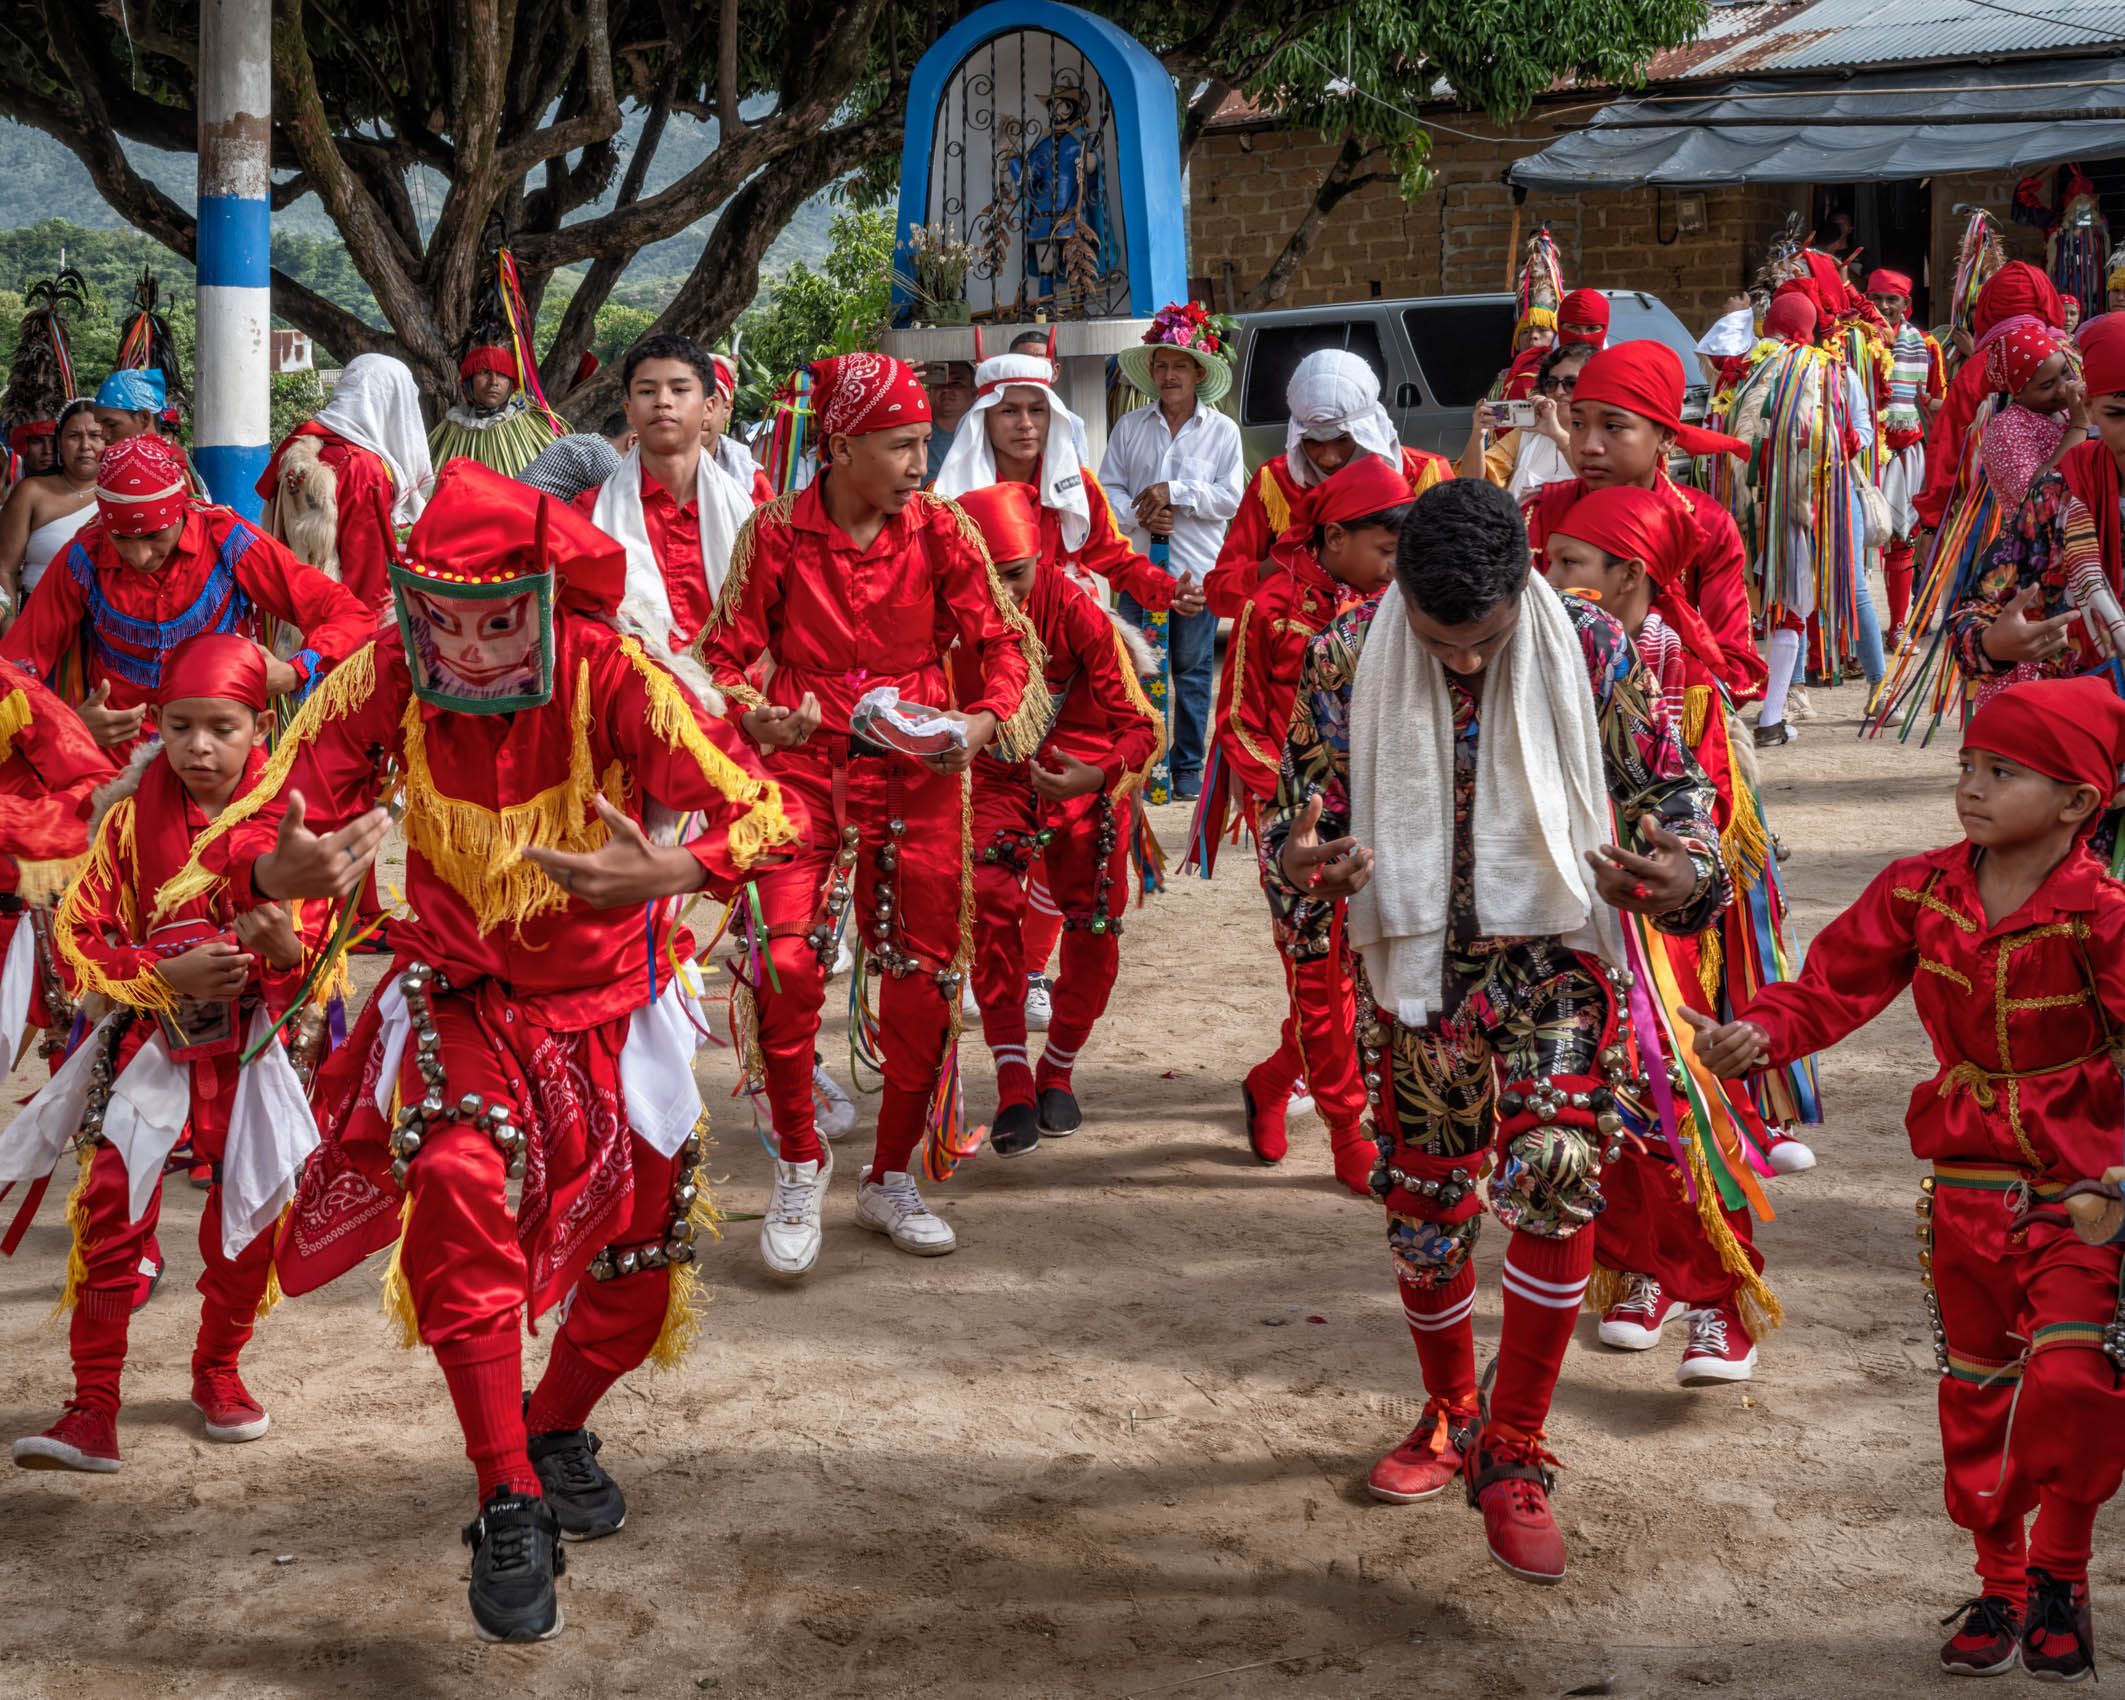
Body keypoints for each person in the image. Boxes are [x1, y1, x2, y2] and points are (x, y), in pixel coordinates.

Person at [172, 458, 796, 1642]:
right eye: (440, 617)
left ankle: (551, 1425)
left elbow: (771, 807)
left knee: (641, 1265)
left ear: (549, 599)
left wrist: (679, 865)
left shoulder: (621, 676)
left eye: (497, 620)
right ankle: (506, 1491)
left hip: (616, 1006)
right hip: (462, 992)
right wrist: (270, 868)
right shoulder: (392, 672)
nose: (465, 647)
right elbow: (262, 815)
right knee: (459, 1187)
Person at [1262, 477, 1725, 1584]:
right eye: (1437, 640)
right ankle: (1448, 1412)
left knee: (1558, 1163)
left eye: (1485, 639)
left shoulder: (1599, 645)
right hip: (1415, 967)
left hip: (1556, 954)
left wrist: (1677, 871)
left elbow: (1675, 789)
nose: (1464, 662)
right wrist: (1300, 864)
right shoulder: (1340, 655)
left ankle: (1514, 1447)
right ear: (1399, 597)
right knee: (1424, 1207)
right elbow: (1294, 816)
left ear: (1524, 586)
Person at [1686, 676, 2125, 1684]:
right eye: (1967, 763)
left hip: (2082, 1188)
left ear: (2075, 804)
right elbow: (1831, 982)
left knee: (2072, 1380)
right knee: (1975, 1392)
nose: (1970, 784)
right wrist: (1762, 1033)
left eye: (2002, 771)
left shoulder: (2100, 913)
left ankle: (2062, 1573)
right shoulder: (1919, 886)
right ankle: (2001, 1582)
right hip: (1966, 1182)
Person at [699, 353, 1041, 1280]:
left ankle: (890, 1175)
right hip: (804, 770)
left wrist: (979, 720)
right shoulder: (774, 535)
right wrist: (752, 710)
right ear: (841, 447)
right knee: (783, 960)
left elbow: (1005, 644)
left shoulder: (943, 531)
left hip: (921, 770)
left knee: (924, 980)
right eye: (901, 445)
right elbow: (721, 655)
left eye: (924, 442)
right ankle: (801, 1161)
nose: (920, 462)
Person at [4, 635, 322, 1475]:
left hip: (254, 1052)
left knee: (248, 1220)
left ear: (260, 725)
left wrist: (284, 950)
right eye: (180, 727)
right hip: (149, 1043)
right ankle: (91, 1405)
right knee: (110, 1209)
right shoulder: (126, 818)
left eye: (221, 727)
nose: (199, 747)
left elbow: (323, 950)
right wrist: (162, 971)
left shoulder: (289, 819)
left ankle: (219, 1371)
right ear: (159, 726)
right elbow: (79, 941)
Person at [1541, 484, 1786, 1383]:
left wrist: (1663, 872)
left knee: (1671, 1102)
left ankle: (1722, 1298)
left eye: (1569, 564)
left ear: (1628, 575)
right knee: (1592, 1106)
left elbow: (1710, 823)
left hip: (1657, 932)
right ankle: (1636, 1270)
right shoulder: (1551, 652)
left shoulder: (1683, 679)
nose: (1550, 577)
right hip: (1569, 915)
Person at [1209, 455, 1406, 1192]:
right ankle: (1346, 1131)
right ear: (1331, 539)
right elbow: (1240, 722)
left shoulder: (1397, 608)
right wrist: (1296, 802)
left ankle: (1270, 1081)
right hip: (1298, 827)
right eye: (1383, 550)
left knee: (1369, 974)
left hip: (1383, 816)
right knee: (1320, 978)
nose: (1393, 566)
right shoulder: (1269, 608)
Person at [958, 481, 1160, 1157]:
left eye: (1011, 576)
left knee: (1096, 930)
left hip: (1084, 782)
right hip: (995, 777)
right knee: (987, 902)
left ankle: (1058, 1071)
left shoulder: (1077, 611)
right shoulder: (946, 607)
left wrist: (1095, 777)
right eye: (984, 577)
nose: (999, 594)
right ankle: (1012, 1078)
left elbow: (1141, 726)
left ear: (1040, 558)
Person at [1, 437, 372, 756]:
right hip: (117, 767)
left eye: (153, 536)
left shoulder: (227, 541)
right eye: (121, 539)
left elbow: (348, 614)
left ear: (181, 509)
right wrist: (70, 725)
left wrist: (294, 671)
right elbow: (15, 669)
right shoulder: (84, 557)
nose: (139, 556)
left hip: (223, 760)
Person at [1522, 341, 1767, 714]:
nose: (1587, 445)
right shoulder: (1541, 515)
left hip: (1679, 731)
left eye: (1613, 426)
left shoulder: (1705, 523)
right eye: (1577, 424)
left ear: (1666, 437)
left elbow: (1736, 667)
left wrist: (1656, 675)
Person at [1721, 289, 1885, 744]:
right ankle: (1788, 694)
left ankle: (1878, 686)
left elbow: (1866, 429)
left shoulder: (1834, 372)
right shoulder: (1755, 372)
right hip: (1773, 500)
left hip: (1832, 494)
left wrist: (1842, 442)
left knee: (1849, 588)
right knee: (1787, 589)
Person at [1101, 302, 1245, 803]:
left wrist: (1174, 492)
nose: (1167, 376)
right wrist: (1140, 514)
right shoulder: (1130, 427)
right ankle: (1143, 763)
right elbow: (1108, 490)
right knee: (1136, 665)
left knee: (1191, 669)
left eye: (1178, 366)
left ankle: (1186, 768)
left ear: (1198, 372)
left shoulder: (1221, 432)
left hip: (1194, 572)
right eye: (1160, 366)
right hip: (1139, 569)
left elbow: (1231, 498)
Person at [1206, 349, 1451, 618]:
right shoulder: (1274, 482)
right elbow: (1221, 592)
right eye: (1312, 442)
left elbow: (1454, 576)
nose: (1329, 459)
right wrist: (1287, 562)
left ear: (1368, 429)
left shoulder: (1424, 475)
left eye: (1343, 439)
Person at [1951, 315, 2125, 693]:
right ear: (2092, 407)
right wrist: (1995, 644)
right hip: (2084, 711)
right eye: (2118, 414)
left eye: (2063, 376)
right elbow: (1973, 615)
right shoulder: (2056, 498)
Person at [584, 335, 756, 653]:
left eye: (679, 389)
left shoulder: (751, 515)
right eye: (647, 391)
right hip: (633, 688)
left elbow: (764, 626)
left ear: (710, 407)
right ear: (630, 411)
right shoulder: (590, 515)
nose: (663, 401)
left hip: (735, 689)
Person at [257, 352, 433, 607]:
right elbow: (367, 577)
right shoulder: (363, 467)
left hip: (292, 605)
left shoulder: (302, 445)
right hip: (342, 618)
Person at [1868, 268, 1948, 647]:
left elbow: (1938, 404)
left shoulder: (1928, 346)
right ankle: (1853, 633)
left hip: (1907, 453)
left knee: (1903, 541)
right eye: (1877, 299)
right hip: (1862, 454)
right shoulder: (1851, 343)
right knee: (1851, 544)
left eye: (1892, 300)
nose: (1884, 307)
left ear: (1906, 305)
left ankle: (1897, 625)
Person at [427, 275, 567, 479]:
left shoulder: (534, 433)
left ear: (512, 383)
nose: (494, 382)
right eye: (484, 373)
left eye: (502, 375)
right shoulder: (448, 433)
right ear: (468, 382)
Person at [0, 399, 102, 621]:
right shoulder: (31, 493)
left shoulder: (122, 493)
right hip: (40, 625)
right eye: (74, 436)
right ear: (59, 442)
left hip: (106, 632)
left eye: (95, 435)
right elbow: (4, 570)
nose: (85, 445)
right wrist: (10, 640)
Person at [1458, 342, 1590, 499]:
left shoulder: (1600, 435)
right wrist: (1478, 434)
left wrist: (1556, 434)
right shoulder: (1527, 431)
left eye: (1571, 384)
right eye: (1551, 383)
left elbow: (1596, 484)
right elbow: (1470, 483)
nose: (1558, 391)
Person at [518, 412, 633, 504]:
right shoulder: (599, 448)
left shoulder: (577, 440)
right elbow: (629, 492)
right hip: (527, 521)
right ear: (633, 441)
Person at [705, 353, 773, 505]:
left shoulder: (750, 479)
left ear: (727, 409)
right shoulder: (645, 467)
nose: (703, 411)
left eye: (712, 402)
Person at [922, 360, 977, 484]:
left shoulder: (985, 432)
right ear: (929, 390)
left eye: (956, 383)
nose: (946, 389)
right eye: (939, 383)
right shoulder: (914, 430)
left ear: (974, 392)